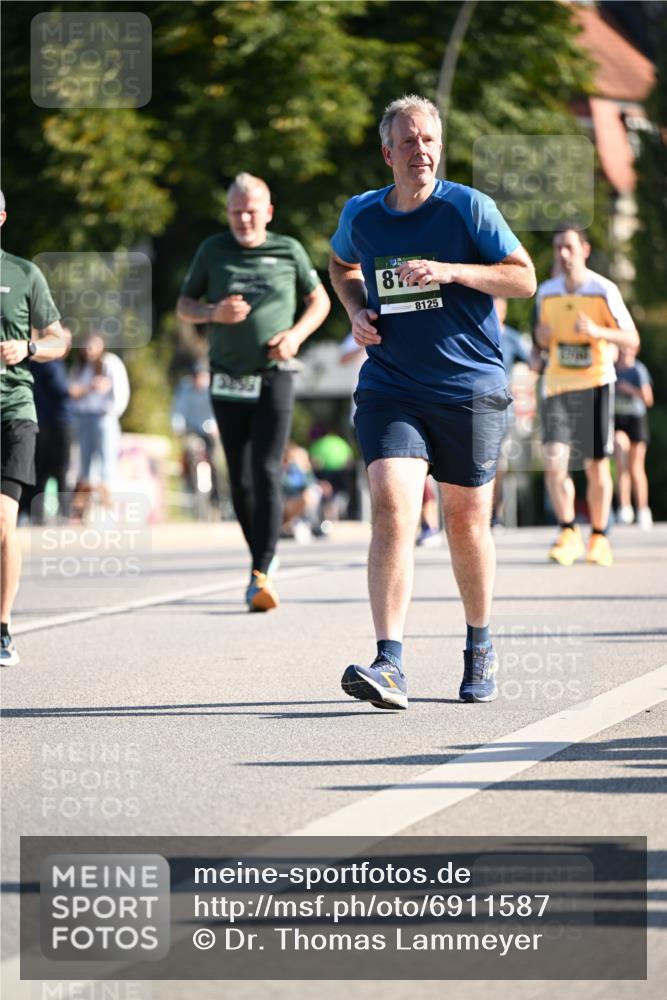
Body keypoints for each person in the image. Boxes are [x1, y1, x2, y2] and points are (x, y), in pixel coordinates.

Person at [329, 95, 536, 710]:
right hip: (391, 386)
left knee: (465, 521)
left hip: (469, 387)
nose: (421, 150)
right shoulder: (362, 215)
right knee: (393, 509)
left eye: (430, 140)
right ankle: (389, 662)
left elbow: (522, 277)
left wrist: (451, 271)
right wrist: (355, 308)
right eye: (409, 141)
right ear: (387, 152)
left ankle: (479, 645)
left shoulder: (468, 207)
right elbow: (341, 265)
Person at [176, 173, 330, 611]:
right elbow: (184, 306)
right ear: (227, 213)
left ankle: (261, 570)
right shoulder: (213, 250)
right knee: (239, 478)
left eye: (251, 210)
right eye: (235, 211)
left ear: (268, 212)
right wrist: (213, 313)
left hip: (274, 373)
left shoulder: (288, 250)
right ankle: (260, 558)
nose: (243, 218)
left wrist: (296, 336)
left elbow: (319, 301)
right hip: (226, 377)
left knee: (265, 469)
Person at [535, 227, 639, 567]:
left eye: (568, 247)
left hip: (595, 383)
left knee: (596, 466)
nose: (562, 254)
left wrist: (596, 332)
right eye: (557, 248)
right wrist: (541, 337)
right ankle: (567, 531)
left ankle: (599, 536)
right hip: (557, 385)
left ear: (585, 249)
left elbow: (631, 338)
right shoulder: (546, 292)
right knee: (554, 462)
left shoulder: (602, 289)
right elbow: (540, 340)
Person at [0, 189, 71, 665]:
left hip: (13, 412)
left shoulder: (24, 273)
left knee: (3, 522)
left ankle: (2, 627)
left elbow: (59, 340)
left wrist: (27, 348)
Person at [68, 332, 130, 515]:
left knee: (107, 461)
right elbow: (72, 392)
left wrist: (111, 413)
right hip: (83, 418)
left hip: (104, 418)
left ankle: (107, 504)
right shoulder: (80, 367)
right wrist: (90, 388)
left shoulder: (110, 363)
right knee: (83, 464)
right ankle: (83, 507)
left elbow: (120, 392)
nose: (89, 350)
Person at [492, 296, 533, 527]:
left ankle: (495, 513)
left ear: (505, 311)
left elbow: (534, 363)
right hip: (471, 406)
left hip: (501, 409)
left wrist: (522, 389)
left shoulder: (512, 338)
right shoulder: (475, 333)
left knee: (498, 462)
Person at [19, 351, 73, 524]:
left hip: (39, 422)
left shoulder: (34, 364)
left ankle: (36, 514)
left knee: (39, 472)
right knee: (60, 471)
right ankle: (64, 514)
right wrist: (83, 389)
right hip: (57, 425)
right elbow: (62, 389)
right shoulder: (52, 363)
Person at [171, 361, 223, 511]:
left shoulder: (213, 388)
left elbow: (219, 410)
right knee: (189, 453)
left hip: (211, 428)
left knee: (215, 460)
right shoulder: (185, 388)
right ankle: (191, 491)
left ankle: (218, 497)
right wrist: (178, 427)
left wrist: (216, 427)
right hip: (192, 428)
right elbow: (178, 409)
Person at [613, 346, 653, 529]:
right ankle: (624, 507)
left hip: (636, 419)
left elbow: (648, 399)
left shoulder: (638, 369)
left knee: (636, 466)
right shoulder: (611, 368)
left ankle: (643, 509)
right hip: (617, 420)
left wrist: (629, 389)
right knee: (621, 461)